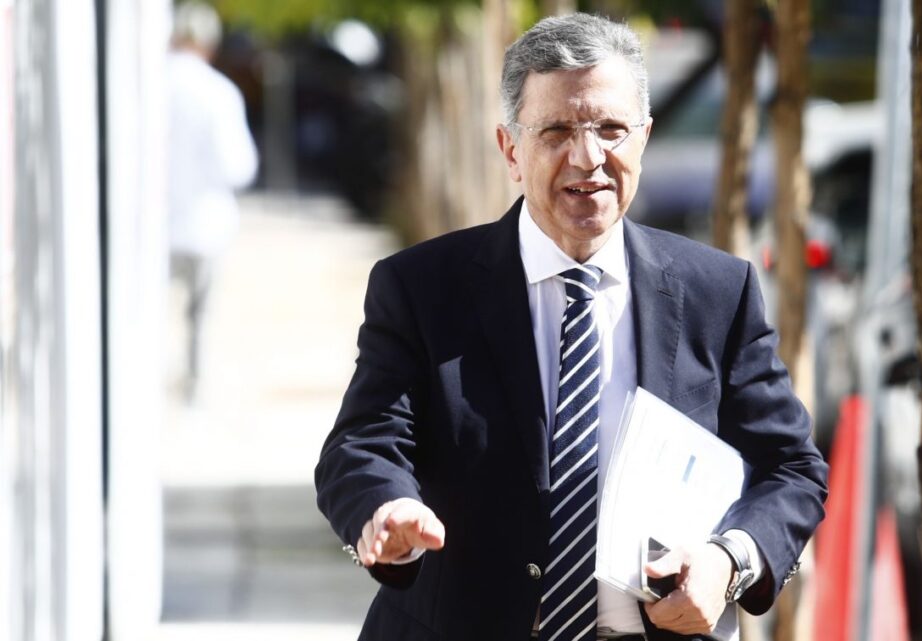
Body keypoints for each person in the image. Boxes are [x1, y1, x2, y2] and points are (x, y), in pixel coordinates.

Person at [315, 13, 827, 641]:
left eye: (610, 129)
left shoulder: (717, 291)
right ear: (511, 149)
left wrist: (729, 561)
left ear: (643, 138)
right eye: (556, 131)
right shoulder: (422, 287)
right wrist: (386, 506)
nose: (588, 158)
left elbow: (790, 468)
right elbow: (362, 443)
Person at [167, 0, 258, 401]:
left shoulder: (147, 84)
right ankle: (194, 387)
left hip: (156, 224)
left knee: (150, 311)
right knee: (200, 315)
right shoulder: (219, 92)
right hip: (206, 222)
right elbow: (239, 166)